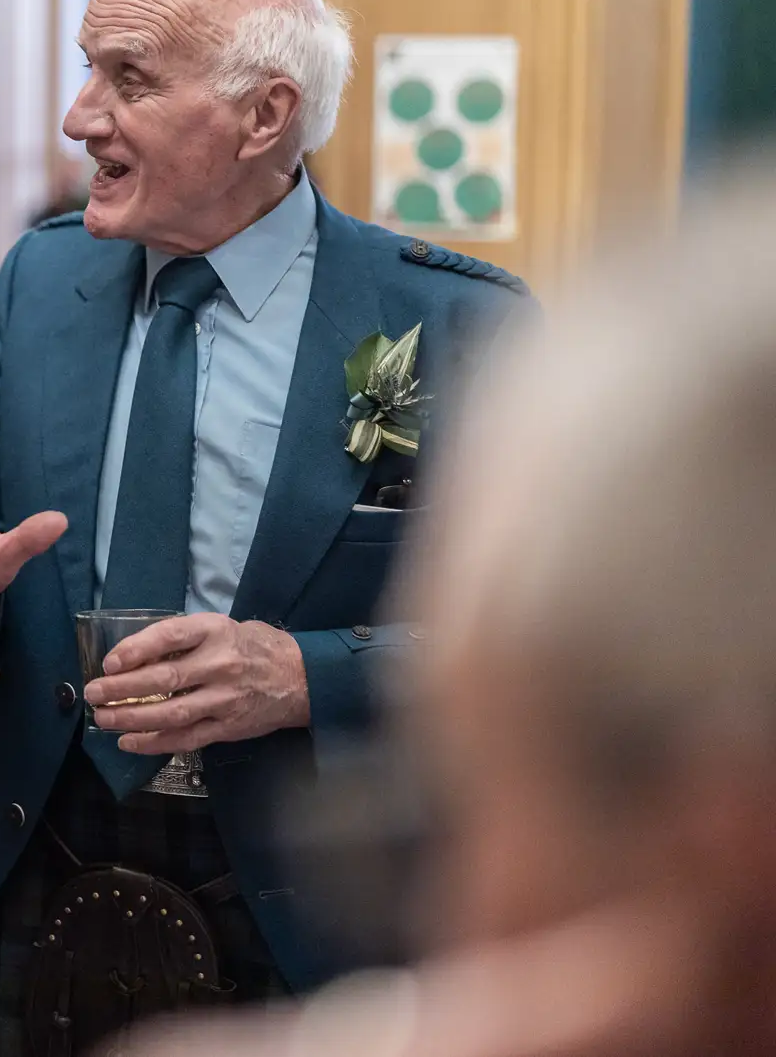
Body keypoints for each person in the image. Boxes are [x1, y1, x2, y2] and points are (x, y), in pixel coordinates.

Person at [0, 0, 531, 1053]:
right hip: (35, 867)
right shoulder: (38, 277)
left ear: (264, 115)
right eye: (84, 65)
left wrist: (303, 673)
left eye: (128, 78)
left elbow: (529, 644)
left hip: (317, 903)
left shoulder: (455, 324)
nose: (76, 115)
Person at [125, 181, 776, 1057]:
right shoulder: (49, 284)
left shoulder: (456, 313)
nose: (445, 902)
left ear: (729, 861)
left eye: (461, 806)